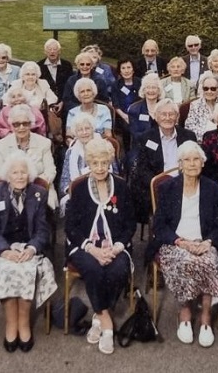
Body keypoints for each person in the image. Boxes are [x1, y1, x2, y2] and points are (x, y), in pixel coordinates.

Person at [151, 142, 218, 348]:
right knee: (188, 261)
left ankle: (205, 315)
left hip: (203, 242)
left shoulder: (213, 189)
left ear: (203, 163)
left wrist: (208, 242)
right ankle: (185, 310)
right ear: (180, 164)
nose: (192, 164)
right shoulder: (167, 188)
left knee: (208, 260)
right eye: (187, 160)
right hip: (175, 243)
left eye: (196, 159)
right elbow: (159, 225)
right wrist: (180, 242)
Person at [64, 139, 134, 354]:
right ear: (89, 164)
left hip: (115, 246)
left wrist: (116, 248)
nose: (101, 168)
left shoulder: (121, 186)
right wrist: (92, 249)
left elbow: (130, 222)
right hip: (86, 246)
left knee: (117, 269)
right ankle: (107, 323)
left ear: (110, 163)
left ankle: (98, 315)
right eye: (96, 163)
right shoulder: (80, 188)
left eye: (105, 163)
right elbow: (71, 226)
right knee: (94, 268)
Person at [0, 155, 56, 353]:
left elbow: (42, 230)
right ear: (8, 175)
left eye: (23, 172)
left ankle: (23, 322)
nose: (20, 176)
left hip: (28, 247)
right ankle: (10, 322)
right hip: (4, 247)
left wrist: (32, 248)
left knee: (27, 269)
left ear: (29, 174)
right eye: (15, 172)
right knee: (6, 270)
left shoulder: (39, 193)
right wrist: (4, 250)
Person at [129, 99, 197, 223]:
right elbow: (142, 169)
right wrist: (161, 184)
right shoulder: (146, 138)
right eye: (163, 114)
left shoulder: (188, 136)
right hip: (159, 187)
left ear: (177, 117)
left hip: (185, 183)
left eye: (171, 114)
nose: (167, 118)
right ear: (156, 117)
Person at [0, 104, 57, 194]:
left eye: (25, 123)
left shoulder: (44, 143)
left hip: (39, 190)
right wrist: (16, 186)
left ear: (31, 124)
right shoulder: (1, 145)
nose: (21, 128)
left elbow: (50, 171)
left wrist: (36, 186)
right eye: (16, 124)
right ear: (11, 126)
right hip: (10, 191)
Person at [59, 113, 116, 205]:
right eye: (80, 130)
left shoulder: (105, 146)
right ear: (75, 133)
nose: (84, 132)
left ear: (93, 129)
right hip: (79, 192)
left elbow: (115, 173)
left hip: (104, 190)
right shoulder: (71, 152)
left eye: (87, 128)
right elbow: (64, 182)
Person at [128, 74, 164, 139]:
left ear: (159, 90)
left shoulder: (165, 107)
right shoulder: (134, 109)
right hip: (142, 145)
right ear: (143, 90)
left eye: (154, 87)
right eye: (148, 87)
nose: (151, 91)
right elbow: (136, 134)